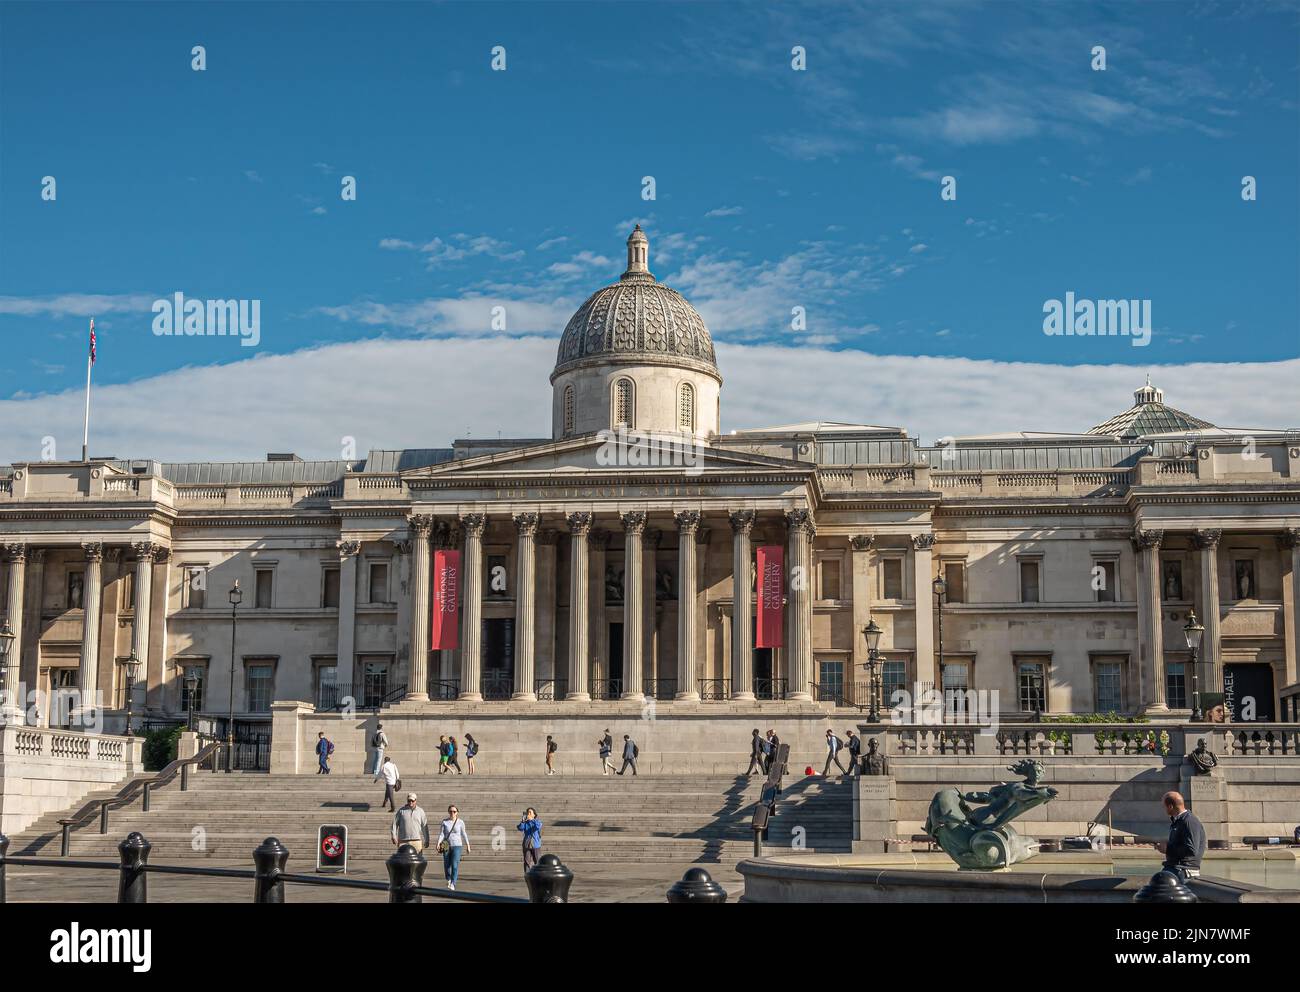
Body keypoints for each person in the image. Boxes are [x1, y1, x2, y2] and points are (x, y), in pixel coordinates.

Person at [1157, 791, 1206, 883]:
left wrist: (1167, 849)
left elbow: (1192, 850)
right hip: (1175, 867)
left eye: (1164, 806)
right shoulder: (1178, 821)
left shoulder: (1189, 821)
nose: (1163, 809)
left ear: (1170, 806)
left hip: (1184, 870)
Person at [437, 804, 471, 890]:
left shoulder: (460, 822)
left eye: (454, 811)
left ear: (457, 812)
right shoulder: (445, 822)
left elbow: (464, 834)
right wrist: (438, 843)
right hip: (446, 846)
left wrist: (468, 845)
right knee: (447, 864)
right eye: (451, 811)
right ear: (448, 812)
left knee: (455, 865)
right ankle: (448, 879)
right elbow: (441, 834)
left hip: (457, 845)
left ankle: (453, 883)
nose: (452, 813)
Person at [517, 807, 543, 871]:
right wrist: (523, 821)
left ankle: (538, 876)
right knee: (527, 862)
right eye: (527, 812)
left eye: (530, 812)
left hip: (535, 845)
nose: (528, 814)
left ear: (534, 815)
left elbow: (538, 826)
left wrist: (532, 820)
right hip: (527, 845)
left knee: (537, 862)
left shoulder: (537, 821)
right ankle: (527, 876)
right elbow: (520, 828)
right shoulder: (525, 823)